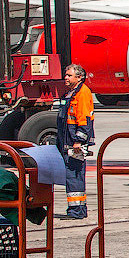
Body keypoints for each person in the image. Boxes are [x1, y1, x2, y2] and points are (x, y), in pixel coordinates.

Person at [56, 64, 95, 219]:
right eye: (66, 75)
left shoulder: (83, 93)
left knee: (74, 176)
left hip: (75, 143)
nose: (66, 78)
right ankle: (77, 208)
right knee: (71, 176)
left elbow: (84, 120)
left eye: (69, 75)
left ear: (79, 77)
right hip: (67, 141)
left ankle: (77, 210)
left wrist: (79, 141)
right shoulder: (71, 93)